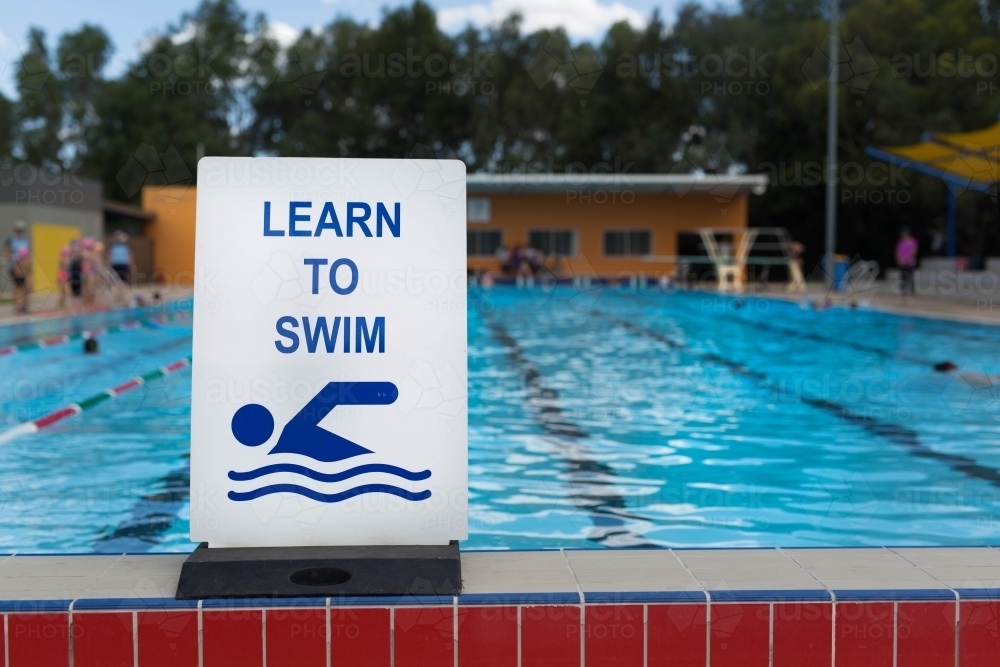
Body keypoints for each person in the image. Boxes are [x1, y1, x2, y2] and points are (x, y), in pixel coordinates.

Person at [895, 227, 918, 297]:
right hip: (901, 262)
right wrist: (899, 260)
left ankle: (911, 293)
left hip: (909, 262)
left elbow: (913, 251)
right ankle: (903, 293)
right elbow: (897, 251)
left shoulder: (913, 241)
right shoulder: (900, 242)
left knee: (910, 277)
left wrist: (907, 260)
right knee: (903, 278)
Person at [10, 247, 31, 315]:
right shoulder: (25, 262)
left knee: (18, 293)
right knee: (22, 293)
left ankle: (19, 308)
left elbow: (16, 271)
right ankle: (21, 307)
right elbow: (26, 272)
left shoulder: (18, 261)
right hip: (21, 278)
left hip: (18, 278)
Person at [56, 246, 71, 310]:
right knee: (62, 294)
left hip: (64, 276)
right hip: (62, 277)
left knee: (64, 293)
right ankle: (59, 307)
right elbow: (64, 269)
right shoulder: (63, 260)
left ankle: (62, 306)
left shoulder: (63, 259)